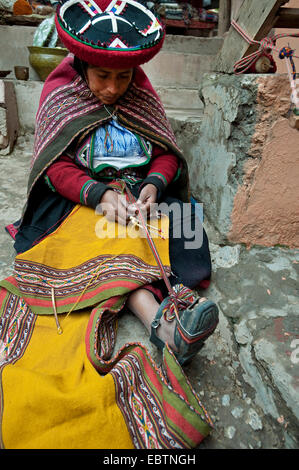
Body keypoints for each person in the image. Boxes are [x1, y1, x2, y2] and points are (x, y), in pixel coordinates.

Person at [1, 0, 218, 449]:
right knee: (101, 235)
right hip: (80, 197)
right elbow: (54, 168)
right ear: (82, 65)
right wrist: (99, 196)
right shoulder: (60, 92)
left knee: (164, 221)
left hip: (136, 191)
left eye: (124, 77)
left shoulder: (140, 91)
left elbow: (164, 152)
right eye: (103, 76)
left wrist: (154, 186)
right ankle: (163, 324)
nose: (114, 88)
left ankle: (166, 326)